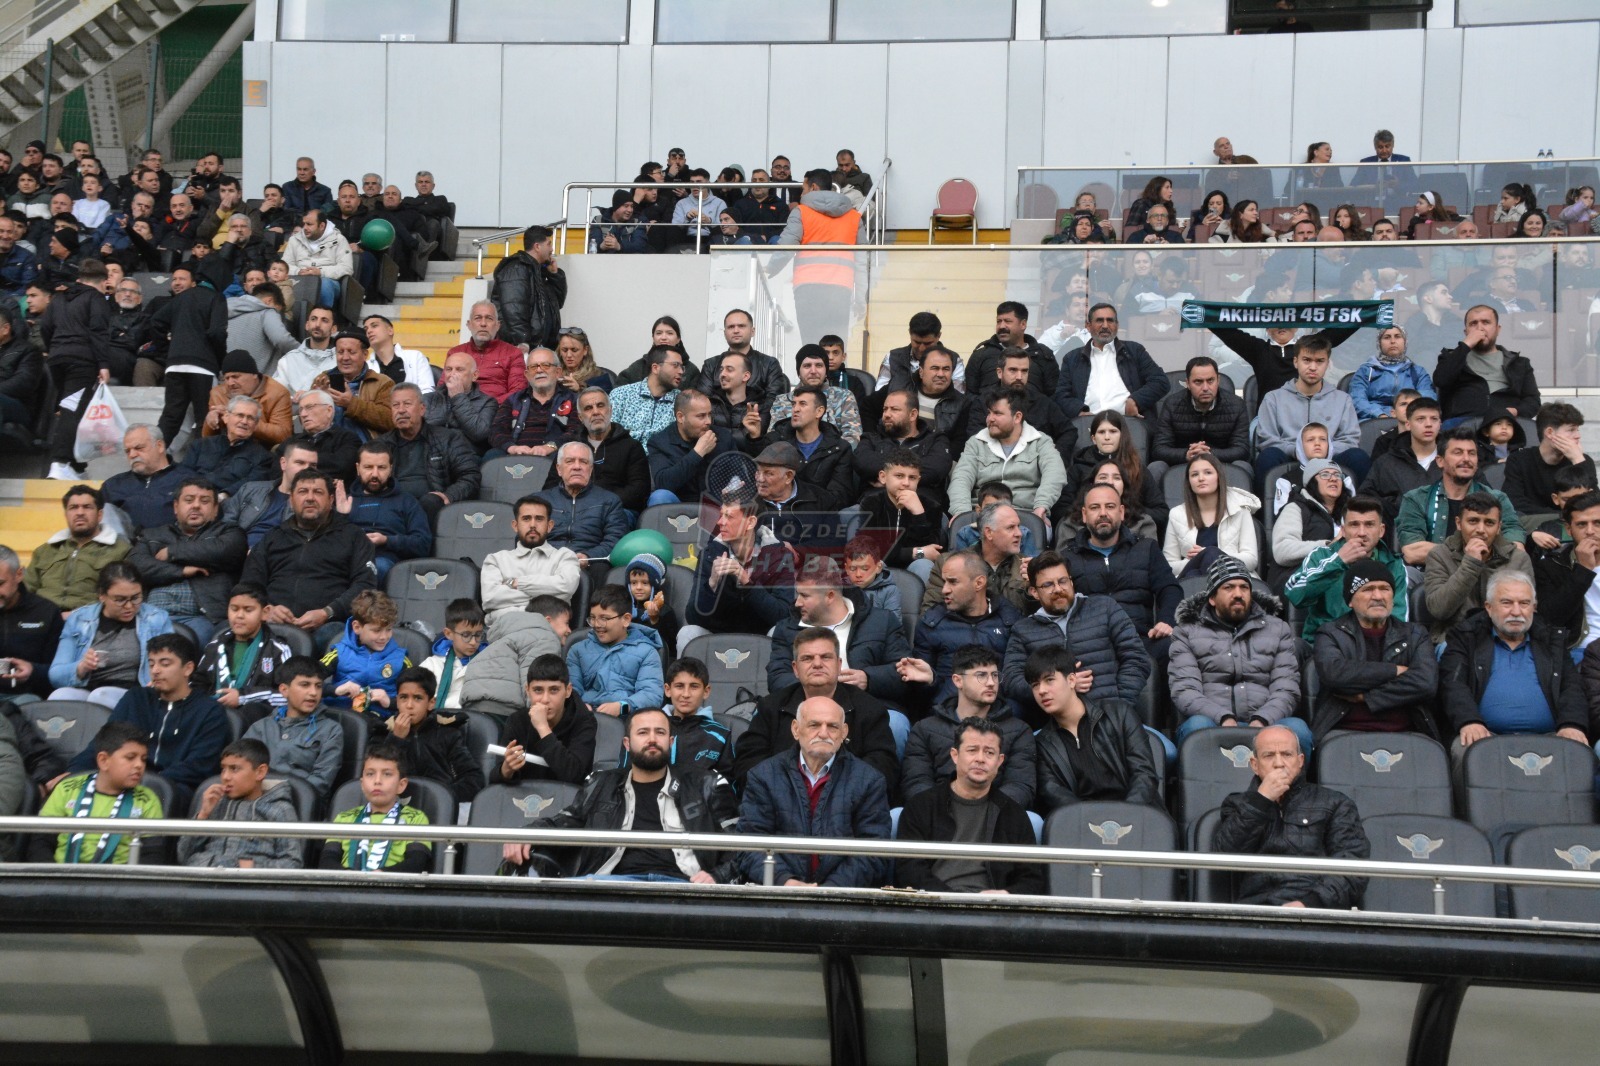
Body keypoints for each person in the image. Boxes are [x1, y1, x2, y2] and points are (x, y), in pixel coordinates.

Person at [503, 705, 739, 881]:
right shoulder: (601, 783)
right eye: (643, 732)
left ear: (670, 741)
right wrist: (527, 833)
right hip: (610, 887)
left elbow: (739, 845)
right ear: (627, 743)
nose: (652, 739)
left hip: (682, 886)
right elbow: (564, 822)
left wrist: (716, 876)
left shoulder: (706, 784)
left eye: (659, 732)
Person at [736, 695, 892, 888]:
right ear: (795, 729)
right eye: (814, 725)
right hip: (779, 894)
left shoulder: (869, 780)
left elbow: (874, 851)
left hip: (843, 897)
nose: (823, 733)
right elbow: (749, 845)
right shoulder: (764, 776)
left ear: (844, 732)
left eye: (832, 726)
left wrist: (831, 889)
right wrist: (785, 881)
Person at [57, 632, 225, 810]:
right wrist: (73, 773)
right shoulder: (136, 698)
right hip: (124, 780)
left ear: (188, 669)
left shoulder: (209, 711)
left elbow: (200, 765)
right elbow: (104, 742)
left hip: (174, 788)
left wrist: (147, 780)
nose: (155, 670)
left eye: (165, 664)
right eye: (151, 664)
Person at [1213, 725, 1368, 908]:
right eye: (1269, 755)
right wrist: (1261, 801)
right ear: (1255, 765)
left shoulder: (1335, 803)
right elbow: (1224, 856)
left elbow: (1352, 865)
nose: (1279, 763)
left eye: (1287, 754)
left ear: (1300, 761)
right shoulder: (1238, 804)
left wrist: (1310, 903)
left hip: (1314, 910)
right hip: (1255, 910)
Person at [1441, 571, 1587, 755]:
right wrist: (1469, 721)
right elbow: (1453, 684)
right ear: (1489, 607)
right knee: (1466, 749)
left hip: (1550, 737)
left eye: (1524, 603)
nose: (1516, 612)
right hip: (1485, 736)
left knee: (1578, 750)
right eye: (1507, 603)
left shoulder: (1552, 640)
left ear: (1534, 607)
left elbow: (1571, 687)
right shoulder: (1467, 637)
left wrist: (1571, 724)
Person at [895, 716, 1045, 895]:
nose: (980, 759)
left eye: (989, 753)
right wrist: (951, 898)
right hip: (934, 902)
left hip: (993, 906)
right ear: (955, 755)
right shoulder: (922, 806)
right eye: (972, 750)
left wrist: (1006, 894)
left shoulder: (1013, 814)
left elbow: (1031, 879)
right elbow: (909, 870)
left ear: (999, 761)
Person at [1170, 555, 1308, 748]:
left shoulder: (1278, 629)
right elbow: (1185, 690)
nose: (1238, 594)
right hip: (1212, 721)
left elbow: (1286, 688)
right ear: (1212, 598)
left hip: (1267, 721)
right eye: (1228, 587)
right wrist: (1222, 717)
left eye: (1244, 587)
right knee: (1197, 726)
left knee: (1298, 730)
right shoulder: (1187, 632)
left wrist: (1262, 719)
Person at [1002, 550, 1150, 724]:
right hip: (1055, 726)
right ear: (1034, 592)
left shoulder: (1105, 608)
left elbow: (1136, 658)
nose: (1058, 589)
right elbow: (1012, 679)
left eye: (1063, 581)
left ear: (1071, 582)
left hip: (1112, 719)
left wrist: (1118, 709)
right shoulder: (1023, 630)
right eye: (1048, 585)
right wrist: (1058, 688)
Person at [237, 468, 379, 648]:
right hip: (273, 624)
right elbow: (249, 584)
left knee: (335, 635)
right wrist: (267, 609)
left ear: (331, 500)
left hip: (328, 626)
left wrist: (328, 612)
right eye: (303, 491)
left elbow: (365, 586)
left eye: (318, 492)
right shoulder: (272, 538)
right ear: (291, 500)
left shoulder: (354, 536)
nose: (310, 498)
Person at [1311, 560, 1439, 743]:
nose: (1378, 596)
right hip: (1344, 732)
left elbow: (1426, 683)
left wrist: (1366, 697)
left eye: (1385, 589)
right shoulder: (1331, 633)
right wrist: (1395, 671)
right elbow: (1335, 674)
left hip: (1406, 733)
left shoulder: (1415, 634)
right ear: (1350, 601)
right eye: (1368, 589)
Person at [1028, 645, 1162, 811]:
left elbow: (1144, 774)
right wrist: (1091, 820)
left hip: (1137, 815)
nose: (1041, 690)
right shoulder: (1042, 744)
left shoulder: (1119, 714)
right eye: (1035, 685)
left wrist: (1125, 815)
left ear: (1071, 680)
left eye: (1049, 680)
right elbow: (1054, 793)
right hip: (1082, 822)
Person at [901, 646, 1035, 808]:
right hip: (937, 812)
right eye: (981, 675)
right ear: (958, 680)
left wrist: (983, 810)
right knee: (896, 815)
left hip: (997, 814)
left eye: (995, 675)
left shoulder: (1019, 730)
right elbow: (916, 782)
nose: (991, 683)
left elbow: (1020, 786)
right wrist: (946, 810)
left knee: (1032, 819)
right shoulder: (925, 729)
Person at [767, 559, 913, 704]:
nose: (797, 603)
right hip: (806, 707)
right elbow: (777, 678)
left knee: (893, 719)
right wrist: (818, 687)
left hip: (871, 705)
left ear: (830, 596)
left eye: (805, 596)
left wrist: (868, 679)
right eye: (798, 594)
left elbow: (906, 673)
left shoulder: (882, 621)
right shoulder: (787, 629)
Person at [1062, 484, 1182, 657]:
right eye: (1095, 507)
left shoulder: (1146, 548)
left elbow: (1169, 588)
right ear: (1084, 515)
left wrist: (1166, 621)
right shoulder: (1067, 558)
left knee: (1173, 647)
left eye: (1110, 506)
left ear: (1121, 512)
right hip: (1090, 645)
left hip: (1141, 638)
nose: (1103, 513)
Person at [126, 476, 246, 645]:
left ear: (215, 509)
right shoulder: (152, 535)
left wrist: (172, 552)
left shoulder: (229, 532)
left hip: (203, 618)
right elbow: (135, 566)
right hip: (150, 614)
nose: (196, 505)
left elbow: (225, 550)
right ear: (176, 507)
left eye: (204, 501)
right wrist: (182, 571)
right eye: (189, 500)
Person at [32, 721, 164, 865]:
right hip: (61, 875)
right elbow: (40, 842)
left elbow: (152, 855)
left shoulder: (147, 800)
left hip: (118, 877)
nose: (139, 765)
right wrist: (53, 875)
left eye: (143, 759)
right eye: (130, 757)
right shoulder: (67, 788)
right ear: (103, 760)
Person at [1395, 428, 1524, 568]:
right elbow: (1413, 552)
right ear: (1440, 461)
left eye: (1472, 453)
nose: (1466, 459)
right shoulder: (1416, 499)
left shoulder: (1498, 499)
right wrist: (1471, 553)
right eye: (1458, 453)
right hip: (1431, 573)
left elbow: (1516, 548)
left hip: (1486, 572)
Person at [905, 551, 1023, 704]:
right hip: (948, 712)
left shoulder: (1010, 620)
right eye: (944, 582)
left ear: (979, 583)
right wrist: (930, 681)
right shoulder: (931, 624)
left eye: (953, 582)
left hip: (1001, 712)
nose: (944, 590)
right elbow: (919, 696)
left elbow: (1017, 681)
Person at [1284, 496, 1407, 641]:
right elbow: (1295, 595)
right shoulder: (1321, 556)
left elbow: (1398, 620)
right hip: (1325, 643)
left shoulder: (1394, 564)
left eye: (1369, 525)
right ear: (1343, 530)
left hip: (1375, 645)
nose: (1362, 532)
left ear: (1381, 530)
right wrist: (1338, 562)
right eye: (1354, 525)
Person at [684, 494, 797, 648]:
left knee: (781, 632)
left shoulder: (780, 556)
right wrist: (711, 584)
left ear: (750, 522)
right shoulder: (710, 555)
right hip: (718, 633)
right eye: (721, 515)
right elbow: (692, 617)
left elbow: (783, 615)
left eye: (729, 517)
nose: (720, 522)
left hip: (761, 634)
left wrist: (747, 583)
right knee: (688, 632)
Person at [1254, 337, 1367, 487]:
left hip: (1330, 458)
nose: (1313, 367)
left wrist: (1325, 450)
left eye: (1319, 361)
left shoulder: (1342, 399)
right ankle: (1264, 503)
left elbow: (1350, 439)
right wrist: (1297, 450)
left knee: (1358, 457)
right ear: (1296, 362)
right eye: (1307, 360)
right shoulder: (1273, 398)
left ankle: (1361, 502)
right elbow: (1267, 440)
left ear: (1327, 364)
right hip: (1290, 456)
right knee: (1268, 457)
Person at [177, 737, 302, 869]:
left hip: (246, 880)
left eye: (234, 769)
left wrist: (250, 866)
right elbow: (183, 856)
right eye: (223, 769)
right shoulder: (215, 803)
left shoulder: (279, 809)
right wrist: (203, 815)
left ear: (260, 772)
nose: (225, 777)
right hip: (203, 876)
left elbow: (292, 863)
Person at [773, 170, 865, 347]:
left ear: (813, 187)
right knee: (836, 345)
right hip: (841, 288)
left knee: (810, 346)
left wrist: (770, 267)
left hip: (807, 288)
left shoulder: (801, 212)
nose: (801, 194)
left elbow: (786, 246)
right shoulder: (854, 217)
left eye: (803, 189)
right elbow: (863, 262)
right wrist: (861, 297)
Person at [39, 258, 112, 480]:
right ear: (104, 280)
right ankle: (60, 463)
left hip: (57, 359)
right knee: (72, 411)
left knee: (75, 409)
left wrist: (55, 348)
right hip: (81, 361)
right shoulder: (96, 298)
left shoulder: (59, 298)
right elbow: (98, 331)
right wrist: (103, 364)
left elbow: (45, 327)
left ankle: (75, 465)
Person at [947, 387, 1067, 520]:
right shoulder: (976, 442)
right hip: (982, 515)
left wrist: (1041, 506)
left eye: (997, 413)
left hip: (1026, 514)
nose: (990, 419)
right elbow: (961, 479)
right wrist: (961, 513)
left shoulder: (1040, 441)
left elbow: (1055, 474)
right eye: (989, 413)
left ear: (1017, 417)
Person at [241, 653, 344, 799]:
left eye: (318, 686)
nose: (313, 693)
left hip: (298, 803)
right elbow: (241, 770)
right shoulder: (261, 727)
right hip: (255, 799)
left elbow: (320, 783)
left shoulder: (331, 730)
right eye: (305, 685)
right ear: (284, 690)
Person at [319, 741, 433, 873]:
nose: (377, 781)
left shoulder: (416, 818)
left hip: (392, 884)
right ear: (362, 784)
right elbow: (327, 861)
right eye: (370, 774)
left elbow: (416, 862)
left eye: (387, 774)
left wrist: (382, 875)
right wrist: (349, 876)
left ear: (401, 785)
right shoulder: (344, 818)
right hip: (345, 883)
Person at [742, 385, 855, 511]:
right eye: (793, 404)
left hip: (819, 516)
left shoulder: (839, 448)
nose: (795, 409)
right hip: (777, 511)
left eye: (803, 404)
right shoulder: (775, 440)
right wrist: (755, 437)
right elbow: (758, 477)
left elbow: (840, 497)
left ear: (819, 411)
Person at [380, 668, 483, 804]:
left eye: (417, 698)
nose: (409, 705)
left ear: (431, 703)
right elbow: (376, 777)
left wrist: (442, 796)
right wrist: (396, 739)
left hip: (441, 804)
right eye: (403, 697)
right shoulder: (383, 731)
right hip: (396, 805)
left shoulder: (447, 732)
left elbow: (473, 779)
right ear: (397, 701)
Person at [194, 582, 295, 721]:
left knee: (252, 710)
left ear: (265, 613)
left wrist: (243, 697)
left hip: (255, 720)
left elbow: (290, 694)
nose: (239, 615)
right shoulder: (214, 646)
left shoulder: (277, 650)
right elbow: (197, 685)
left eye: (248, 610)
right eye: (234, 609)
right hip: (213, 713)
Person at [492, 654, 597, 786]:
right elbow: (494, 780)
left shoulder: (584, 721)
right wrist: (506, 770)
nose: (545, 699)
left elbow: (574, 775)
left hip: (569, 797)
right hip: (525, 796)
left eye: (554, 690)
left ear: (568, 690)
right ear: (527, 690)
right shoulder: (517, 720)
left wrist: (543, 728)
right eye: (538, 690)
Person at [381, 382, 480, 520]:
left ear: (422, 409)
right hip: (392, 506)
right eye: (395, 405)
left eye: (407, 404)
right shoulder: (381, 446)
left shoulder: (448, 438)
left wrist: (449, 495)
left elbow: (470, 476)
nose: (401, 410)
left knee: (430, 502)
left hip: (431, 506)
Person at [1053, 304, 1168, 421]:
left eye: (1110, 320)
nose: (1105, 326)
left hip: (1129, 422)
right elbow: (1061, 395)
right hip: (1089, 424)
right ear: (1088, 326)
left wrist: (1135, 400)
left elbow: (1160, 381)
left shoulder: (1134, 351)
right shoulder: (1072, 358)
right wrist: (1079, 411)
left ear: (1117, 325)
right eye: (1099, 320)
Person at [26, 485, 131, 612]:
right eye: (73, 507)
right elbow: (26, 591)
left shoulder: (120, 550)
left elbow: (121, 596)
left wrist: (75, 615)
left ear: (99, 515)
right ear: (66, 515)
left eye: (87, 507)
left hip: (90, 618)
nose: (80, 513)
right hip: (43, 616)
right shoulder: (44, 550)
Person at [566, 585, 664, 719]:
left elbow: (651, 694)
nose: (597, 624)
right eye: (593, 618)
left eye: (604, 618)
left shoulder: (646, 652)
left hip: (627, 718)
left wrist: (622, 706)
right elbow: (571, 690)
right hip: (584, 717)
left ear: (626, 619)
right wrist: (579, 705)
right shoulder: (578, 650)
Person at [1147, 356, 1250, 484]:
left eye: (1210, 380)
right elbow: (1159, 449)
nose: (1205, 387)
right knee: (1156, 467)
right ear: (1188, 383)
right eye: (1198, 382)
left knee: (1243, 467)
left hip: (1221, 463)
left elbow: (1242, 450)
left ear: (1218, 380)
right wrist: (1186, 454)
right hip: (1181, 463)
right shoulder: (1172, 404)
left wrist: (1210, 454)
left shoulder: (1236, 404)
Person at [854, 387, 956, 515]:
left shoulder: (935, 440)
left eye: (894, 409)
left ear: (913, 414)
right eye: (885, 409)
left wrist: (890, 481)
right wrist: (911, 478)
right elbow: (863, 463)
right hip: (873, 508)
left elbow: (936, 470)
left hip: (924, 508)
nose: (887, 414)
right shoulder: (871, 439)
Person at [337, 440, 432, 578]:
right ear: (358, 468)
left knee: (377, 567)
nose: (375, 474)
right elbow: (327, 544)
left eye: (381, 467)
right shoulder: (345, 502)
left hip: (385, 561)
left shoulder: (407, 501)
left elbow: (423, 545)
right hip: (346, 560)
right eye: (368, 467)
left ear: (390, 469)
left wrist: (387, 540)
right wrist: (341, 517)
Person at [1433, 306, 1541, 426]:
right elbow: (1441, 380)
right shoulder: (1452, 358)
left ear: (1498, 329)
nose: (1480, 328)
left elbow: (1533, 401)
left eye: (1486, 322)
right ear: (1466, 332)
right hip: (1463, 427)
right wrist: (1466, 345)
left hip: (1505, 425)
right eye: (1473, 324)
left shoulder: (1519, 363)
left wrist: (1515, 411)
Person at [481, 495, 581, 624]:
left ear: (549, 525)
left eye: (539, 519)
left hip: (547, 631)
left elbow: (566, 588)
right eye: (526, 518)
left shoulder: (565, 556)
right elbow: (490, 598)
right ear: (515, 525)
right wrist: (547, 597)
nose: (533, 525)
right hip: (504, 630)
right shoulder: (496, 560)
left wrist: (517, 583)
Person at [1163, 455, 1262, 578]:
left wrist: (1212, 555)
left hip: (1233, 578)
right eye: (1194, 475)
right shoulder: (1176, 514)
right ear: (1189, 482)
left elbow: (1251, 560)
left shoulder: (1240, 510)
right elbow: (1168, 565)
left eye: (1208, 473)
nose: (1201, 478)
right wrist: (1198, 560)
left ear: (1219, 477)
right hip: (1192, 579)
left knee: (1210, 554)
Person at [1502, 403, 1593, 518]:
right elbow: (1514, 502)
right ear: (1550, 432)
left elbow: (1593, 504)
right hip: (1533, 524)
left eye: (1578, 430)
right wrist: (1559, 516)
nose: (1578, 436)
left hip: (1575, 524)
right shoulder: (1519, 460)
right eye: (1571, 430)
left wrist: (1578, 461)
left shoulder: (1582, 460)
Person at [224, 438, 319, 548]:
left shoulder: (315, 503)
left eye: (312, 465)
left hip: (278, 555)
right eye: (300, 463)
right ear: (283, 463)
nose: (307, 469)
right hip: (235, 550)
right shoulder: (251, 489)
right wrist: (238, 549)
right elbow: (226, 523)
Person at [648, 390, 737, 506]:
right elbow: (663, 483)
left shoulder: (723, 437)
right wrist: (697, 453)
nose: (708, 421)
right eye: (701, 416)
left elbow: (740, 475)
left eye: (710, 414)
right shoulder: (660, 442)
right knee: (659, 497)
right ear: (680, 417)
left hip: (718, 505)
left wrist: (733, 487)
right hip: (679, 508)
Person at [488, 346, 579, 458]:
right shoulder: (514, 400)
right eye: (533, 367)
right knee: (491, 455)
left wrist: (550, 447)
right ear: (526, 375)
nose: (539, 370)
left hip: (555, 456)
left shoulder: (573, 400)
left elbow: (576, 431)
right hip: (516, 456)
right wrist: (512, 448)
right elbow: (496, 430)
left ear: (558, 372)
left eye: (546, 365)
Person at [0, 543, 65, 700]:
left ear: (19, 574)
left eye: (0, 584)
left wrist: (33, 671)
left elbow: (60, 671)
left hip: (28, 697)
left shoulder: (46, 612)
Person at [767, 344, 862, 446]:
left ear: (826, 370)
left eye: (819, 365)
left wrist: (831, 454)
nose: (813, 371)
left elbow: (853, 437)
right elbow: (774, 440)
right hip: (791, 455)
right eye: (807, 366)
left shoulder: (844, 397)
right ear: (798, 371)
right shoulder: (782, 401)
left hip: (835, 455)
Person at [491, 224, 565, 353]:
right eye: (548, 244)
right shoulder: (517, 268)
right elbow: (514, 309)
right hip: (524, 349)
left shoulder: (538, 270)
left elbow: (558, 302)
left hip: (540, 349)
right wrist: (523, 343)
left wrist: (554, 275)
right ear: (537, 246)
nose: (552, 249)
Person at [184, 394, 274, 498]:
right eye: (240, 415)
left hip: (226, 502)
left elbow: (250, 485)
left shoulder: (263, 458)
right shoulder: (200, 445)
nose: (244, 421)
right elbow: (183, 473)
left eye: (250, 418)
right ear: (226, 417)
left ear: (255, 425)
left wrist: (224, 495)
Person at [201, 349, 294, 447]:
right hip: (227, 447)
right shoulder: (217, 393)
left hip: (264, 450)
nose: (230, 383)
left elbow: (283, 435)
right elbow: (207, 440)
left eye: (235, 377)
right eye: (226, 378)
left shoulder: (277, 393)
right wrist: (210, 421)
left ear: (254, 375)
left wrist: (243, 419)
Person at [310, 331, 395, 438]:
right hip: (328, 444)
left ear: (365, 354)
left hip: (367, 446)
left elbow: (391, 420)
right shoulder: (322, 380)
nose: (345, 357)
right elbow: (307, 419)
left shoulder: (382, 382)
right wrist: (319, 400)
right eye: (340, 352)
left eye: (352, 352)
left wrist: (351, 404)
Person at [609, 345, 684, 456]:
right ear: (655, 368)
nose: (681, 371)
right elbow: (608, 435)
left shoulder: (681, 401)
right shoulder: (621, 395)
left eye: (682, 367)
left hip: (661, 462)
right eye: (675, 365)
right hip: (624, 458)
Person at [1349, 327, 1437, 421]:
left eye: (1397, 336)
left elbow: (1427, 399)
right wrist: (1379, 414)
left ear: (1405, 342)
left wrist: (1408, 413)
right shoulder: (1366, 370)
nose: (1392, 341)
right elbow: (1357, 399)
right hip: (1372, 420)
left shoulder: (1418, 372)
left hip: (1410, 418)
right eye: (1387, 337)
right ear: (1379, 343)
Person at [449, 301, 526, 405]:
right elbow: (443, 388)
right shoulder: (455, 353)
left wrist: (488, 406)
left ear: (498, 325)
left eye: (489, 318)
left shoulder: (513, 353)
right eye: (478, 318)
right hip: (460, 408)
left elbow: (518, 391)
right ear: (469, 324)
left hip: (498, 409)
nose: (483, 324)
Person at [424, 350, 497, 452]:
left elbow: (479, 434)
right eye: (448, 369)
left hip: (465, 455)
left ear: (475, 375)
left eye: (459, 370)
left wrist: (458, 397)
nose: (452, 374)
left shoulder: (488, 402)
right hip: (431, 453)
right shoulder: (429, 399)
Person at [270, 305, 337, 397]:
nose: (317, 324)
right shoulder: (289, 360)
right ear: (307, 325)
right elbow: (275, 394)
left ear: (333, 329)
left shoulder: (340, 361)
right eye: (313, 319)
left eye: (324, 320)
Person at [364, 313, 433, 392]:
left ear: (390, 330)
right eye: (365, 329)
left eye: (374, 326)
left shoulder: (415, 357)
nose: (369, 331)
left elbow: (428, 391)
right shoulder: (365, 367)